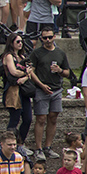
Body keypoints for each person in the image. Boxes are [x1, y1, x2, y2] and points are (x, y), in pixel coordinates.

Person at [29, 25, 70, 161]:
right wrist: (41, 85)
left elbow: (67, 72)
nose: (47, 40)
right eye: (45, 37)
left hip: (57, 89)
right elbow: (31, 71)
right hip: (41, 90)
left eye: (50, 37)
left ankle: (48, 147)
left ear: (54, 37)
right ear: (41, 38)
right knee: (40, 118)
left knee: (53, 118)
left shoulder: (60, 53)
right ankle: (39, 148)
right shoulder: (36, 53)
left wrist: (59, 70)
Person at [2, 32, 34, 143]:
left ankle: (20, 142)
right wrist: (25, 72)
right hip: (13, 90)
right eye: (17, 41)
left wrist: (24, 78)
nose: (20, 44)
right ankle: (9, 142)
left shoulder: (23, 56)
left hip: (24, 90)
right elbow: (14, 72)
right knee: (14, 118)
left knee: (28, 118)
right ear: (11, 43)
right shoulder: (8, 56)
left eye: (21, 41)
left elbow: (31, 72)